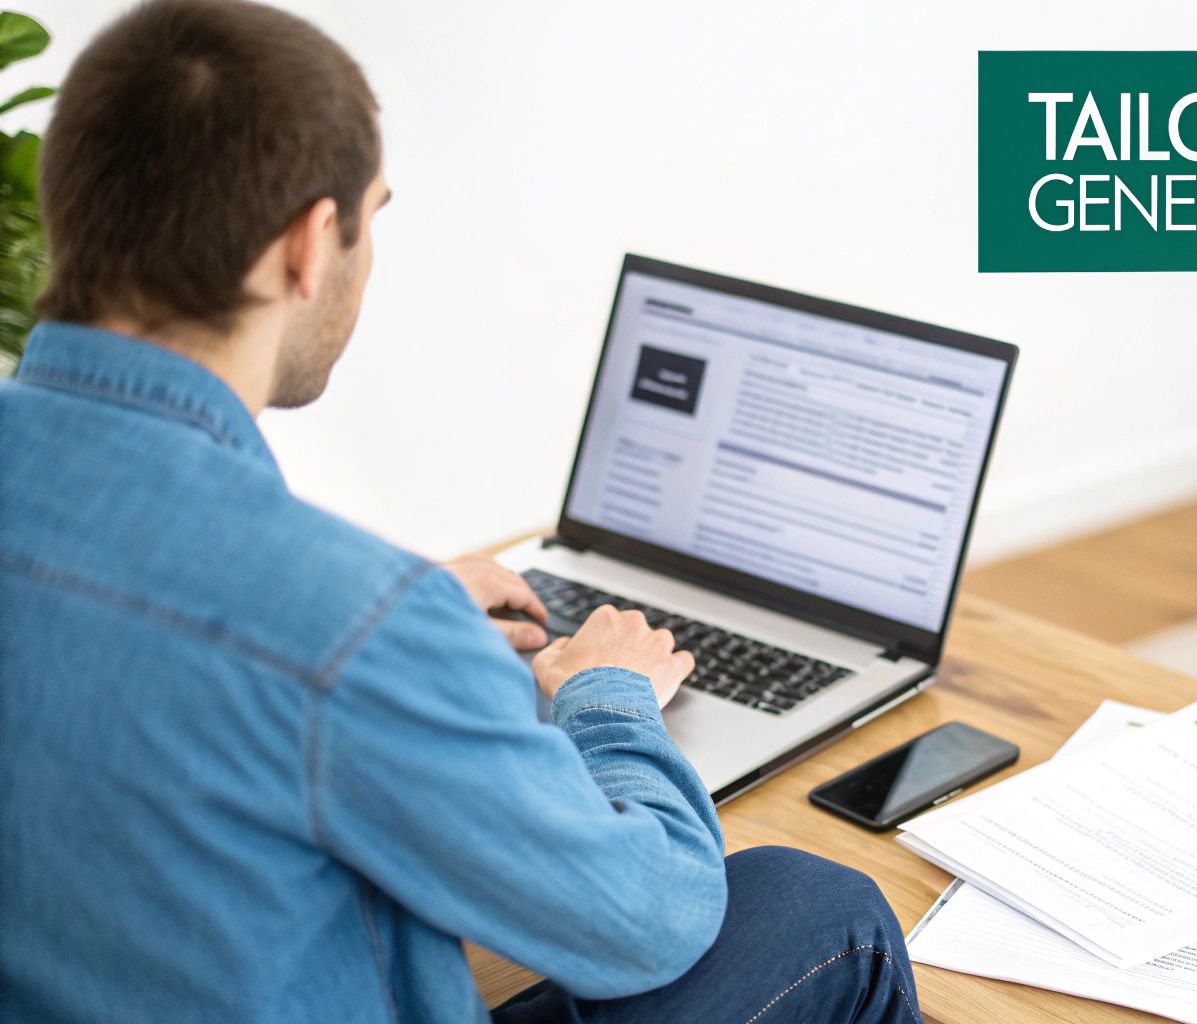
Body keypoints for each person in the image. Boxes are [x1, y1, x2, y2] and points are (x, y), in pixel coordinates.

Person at [0, 2, 921, 1022]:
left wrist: (396, 624)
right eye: (373, 214)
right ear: (310, 246)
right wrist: (607, 697)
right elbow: (648, 921)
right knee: (821, 906)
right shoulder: (349, 626)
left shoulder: (341, 621)